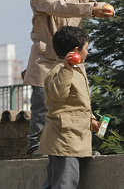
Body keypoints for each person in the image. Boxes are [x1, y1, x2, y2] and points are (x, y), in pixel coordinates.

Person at [22, 0, 114, 155]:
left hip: (72, 59)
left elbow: (88, 2)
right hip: (46, 60)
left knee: (80, 103)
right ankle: (37, 148)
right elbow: (59, 7)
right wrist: (91, 10)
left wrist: (99, 7)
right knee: (43, 107)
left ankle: (82, 147)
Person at [39, 26, 100, 188]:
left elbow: (78, 102)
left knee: (54, 183)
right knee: (65, 183)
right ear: (75, 51)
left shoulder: (76, 70)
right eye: (86, 48)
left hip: (72, 137)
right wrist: (66, 69)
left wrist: (92, 119)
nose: (88, 51)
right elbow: (57, 95)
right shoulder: (59, 72)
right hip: (65, 139)